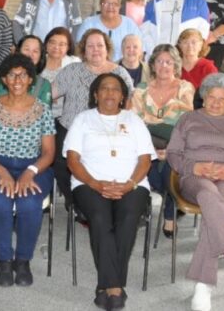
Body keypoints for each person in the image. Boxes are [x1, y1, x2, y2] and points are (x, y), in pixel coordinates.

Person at [167, 73, 224, 311]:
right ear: (203, 97)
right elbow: (174, 153)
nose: (216, 103)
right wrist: (193, 167)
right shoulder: (188, 119)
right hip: (194, 178)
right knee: (208, 195)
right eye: (211, 97)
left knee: (212, 210)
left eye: (222, 98)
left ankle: (203, 287)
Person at [65, 73, 153, 310]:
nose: (110, 93)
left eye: (115, 89)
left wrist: (130, 184)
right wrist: (95, 183)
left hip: (133, 184)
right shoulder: (82, 119)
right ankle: (115, 286)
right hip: (89, 183)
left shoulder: (134, 120)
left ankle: (106, 285)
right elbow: (72, 160)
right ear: (96, 94)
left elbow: (145, 160)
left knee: (127, 218)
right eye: (104, 88)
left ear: (123, 95)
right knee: (100, 218)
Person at [0, 53, 56, 286]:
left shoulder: (43, 110)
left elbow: (49, 153)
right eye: (12, 74)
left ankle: (22, 261)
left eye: (23, 75)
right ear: (4, 79)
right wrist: (1, 172)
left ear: (31, 79)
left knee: (28, 202)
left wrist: (30, 172)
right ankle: (4, 261)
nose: (18, 79)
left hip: (34, 166)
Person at [51, 29, 134, 210]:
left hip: (109, 131)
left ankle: (103, 199)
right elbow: (49, 94)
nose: (95, 49)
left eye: (100, 45)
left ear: (107, 48)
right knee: (59, 160)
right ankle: (75, 200)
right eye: (90, 46)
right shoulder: (71, 71)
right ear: (83, 49)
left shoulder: (120, 73)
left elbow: (129, 106)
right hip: (71, 129)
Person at [129, 44, 194, 237]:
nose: (164, 66)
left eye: (169, 61)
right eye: (159, 61)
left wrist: (170, 148)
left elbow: (185, 123)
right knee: (146, 167)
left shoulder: (185, 87)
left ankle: (169, 211)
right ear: (153, 65)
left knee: (171, 167)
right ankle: (163, 202)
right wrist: (150, 149)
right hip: (147, 145)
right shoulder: (141, 89)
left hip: (176, 145)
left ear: (175, 65)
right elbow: (135, 122)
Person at [0, 34, 50, 106]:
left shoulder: (44, 84)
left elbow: (45, 114)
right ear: (18, 51)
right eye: (26, 49)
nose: (30, 54)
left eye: (35, 51)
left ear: (40, 56)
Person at [76, 0, 141, 61]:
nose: (110, 7)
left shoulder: (129, 24)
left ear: (120, 6)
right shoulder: (89, 23)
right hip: (94, 67)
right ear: (100, 6)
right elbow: (79, 50)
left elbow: (140, 51)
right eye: (106, 3)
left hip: (124, 68)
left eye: (115, 4)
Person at [40, 27, 80, 119]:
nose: (56, 47)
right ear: (46, 44)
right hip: (38, 113)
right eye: (52, 42)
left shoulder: (74, 63)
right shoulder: (38, 60)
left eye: (62, 44)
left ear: (68, 47)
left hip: (65, 116)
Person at [177, 28, 218, 106]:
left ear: (201, 45)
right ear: (180, 45)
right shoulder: (173, 65)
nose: (190, 46)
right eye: (185, 42)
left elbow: (214, 95)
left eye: (194, 42)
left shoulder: (208, 68)